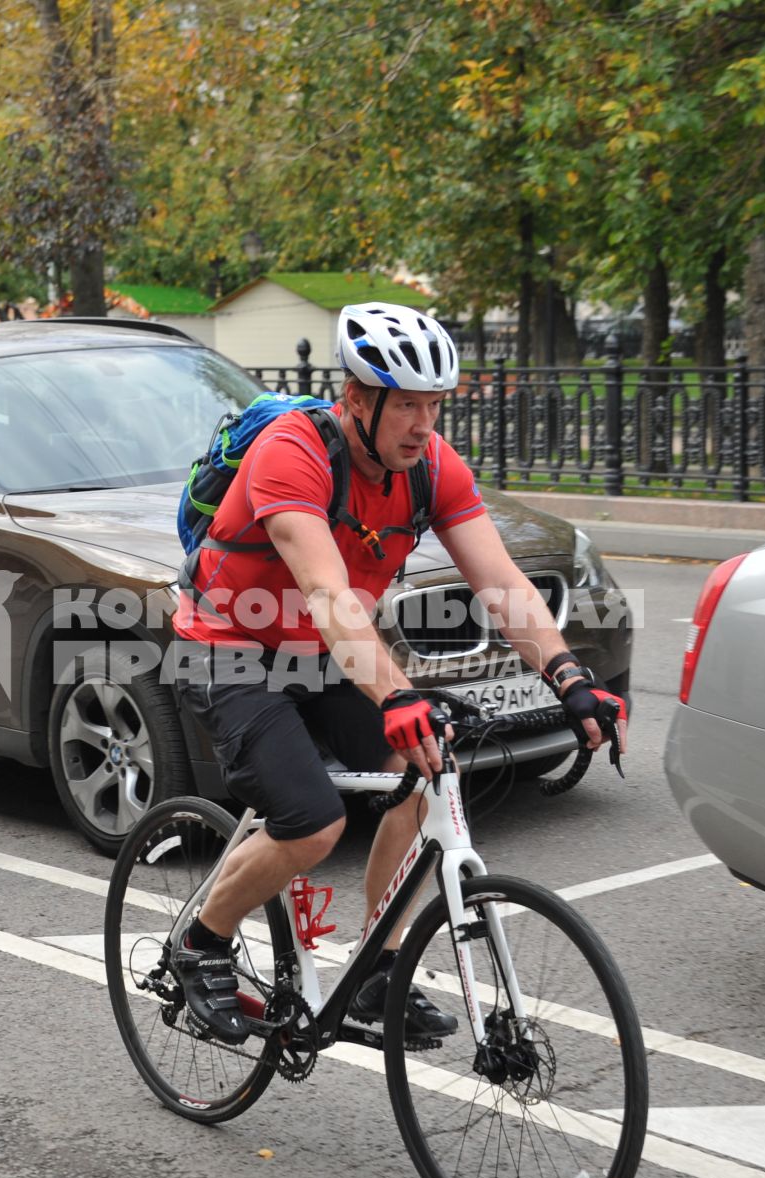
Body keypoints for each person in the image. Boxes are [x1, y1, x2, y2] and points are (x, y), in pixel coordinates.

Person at [168, 302, 628, 1044]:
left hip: (321, 653)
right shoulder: (294, 451)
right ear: (356, 398)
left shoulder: (430, 468)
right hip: (228, 646)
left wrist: (571, 677)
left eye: (434, 404)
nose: (424, 423)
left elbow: (501, 582)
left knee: (424, 765)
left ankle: (376, 969)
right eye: (407, 404)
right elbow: (324, 593)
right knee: (313, 823)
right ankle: (203, 943)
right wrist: (396, 693)